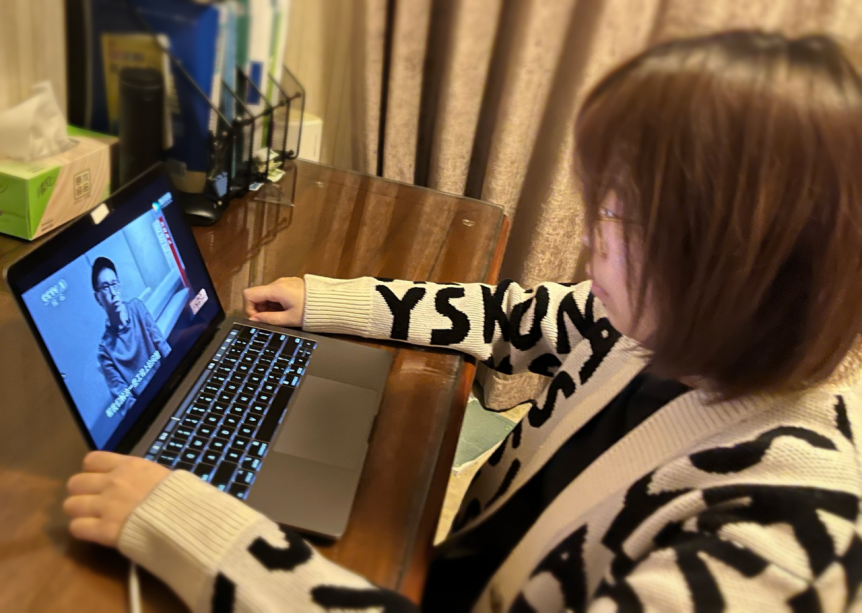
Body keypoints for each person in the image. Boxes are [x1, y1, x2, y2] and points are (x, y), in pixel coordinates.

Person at [63, 32, 861, 613]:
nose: (588, 234)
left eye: (616, 212)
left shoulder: (784, 536)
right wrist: (329, 301)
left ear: (729, 254)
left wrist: (200, 531)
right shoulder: (661, 331)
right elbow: (516, 316)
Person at [92, 256, 171, 417]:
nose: (112, 292)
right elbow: (125, 402)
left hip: (169, 381)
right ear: (97, 297)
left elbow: (163, 346)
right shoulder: (105, 351)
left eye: (114, 284)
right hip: (150, 409)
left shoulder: (136, 308)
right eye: (105, 287)